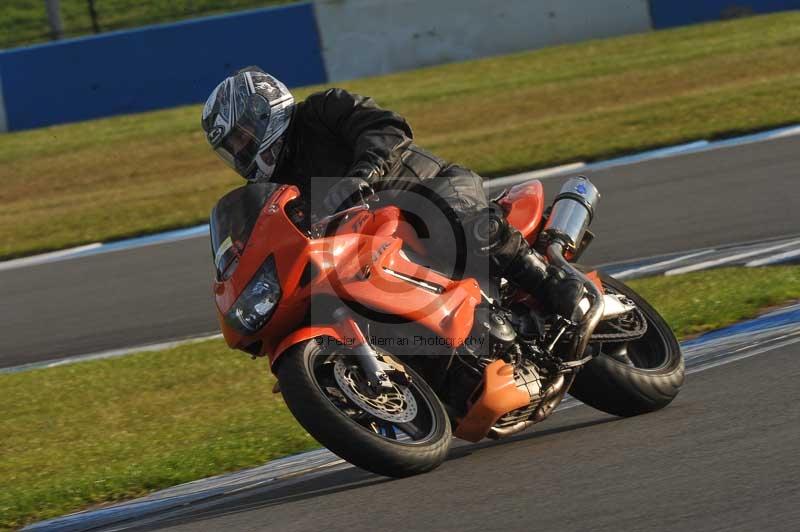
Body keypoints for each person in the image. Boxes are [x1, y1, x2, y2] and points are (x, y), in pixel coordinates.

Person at [201, 67, 576, 313]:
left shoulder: (323, 109)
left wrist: (363, 172)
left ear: (265, 111)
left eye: (242, 138)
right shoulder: (271, 188)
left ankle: (550, 285)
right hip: (371, 245)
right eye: (231, 149)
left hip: (428, 187)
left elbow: (387, 127)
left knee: (464, 224)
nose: (241, 152)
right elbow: (272, 237)